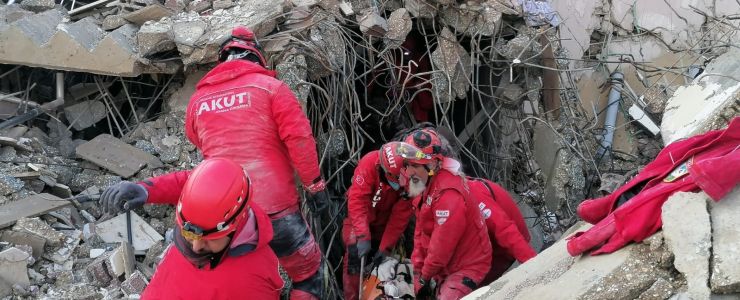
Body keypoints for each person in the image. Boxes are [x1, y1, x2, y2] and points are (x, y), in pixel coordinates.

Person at [100, 26, 328, 299]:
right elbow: (299, 139)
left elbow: (198, 157)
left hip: (218, 222)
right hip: (276, 208)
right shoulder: (272, 88)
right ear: (256, 58)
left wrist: (148, 189)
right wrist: (314, 186)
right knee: (308, 276)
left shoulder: (198, 101)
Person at [402, 127, 536, 283]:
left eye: (414, 166)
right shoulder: (431, 196)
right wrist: (419, 275)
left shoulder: (467, 193)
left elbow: (504, 229)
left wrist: (533, 265)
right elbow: (427, 239)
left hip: (500, 252)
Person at [142, 158, 283, 299]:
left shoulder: (253, 282)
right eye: (189, 233)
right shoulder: (204, 217)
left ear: (236, 225)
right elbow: (198, 183)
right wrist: (148, 190)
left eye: (210, 239)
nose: (196, 247)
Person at [380, 141, 492, 300]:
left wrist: (423, 277)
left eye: (413, 166)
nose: (409, 172)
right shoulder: (425, 189)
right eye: (407, 166)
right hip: (447, 266)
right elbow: (420, 236)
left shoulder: (447, 195)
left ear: (431, 165)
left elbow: (441, 246)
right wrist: (416, 271)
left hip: (467, 266)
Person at [341, 145, 414, 300]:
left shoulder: (410, 181)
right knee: (354, 252)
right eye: (397, 179)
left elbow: (399, 217)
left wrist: (385, 247)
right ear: (385, 170)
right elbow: (357, 201)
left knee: (384, 261)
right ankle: (352, 297)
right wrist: (362, 235)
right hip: (359, 221)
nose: (400, 184)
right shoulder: (368, 164)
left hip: (384, 225)